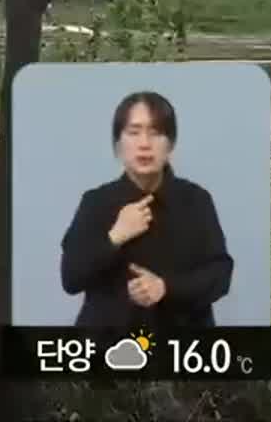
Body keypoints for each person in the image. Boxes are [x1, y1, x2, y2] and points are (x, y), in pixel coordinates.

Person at [59, 90, 232, 330]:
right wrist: (115, 237)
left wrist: (165, 287)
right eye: (134, 132)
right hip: (109, 349)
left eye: (156, 133)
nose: (144, 144)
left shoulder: (196, 201)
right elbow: (71, 278)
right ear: (119, 144)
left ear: (170, 143)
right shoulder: (96, 202)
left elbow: (220, 275)